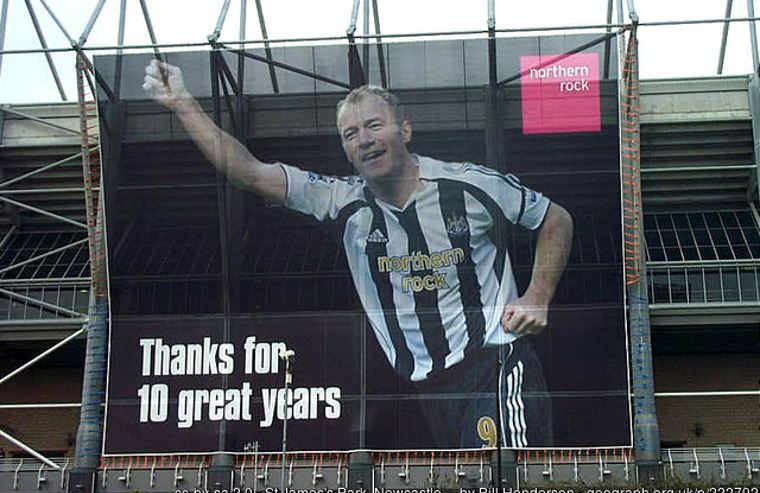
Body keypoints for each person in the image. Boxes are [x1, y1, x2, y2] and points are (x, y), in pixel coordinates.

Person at [143, 59, 573, 448]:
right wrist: (182, 103)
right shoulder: (341, 202)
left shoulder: (470, 186)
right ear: (345, 149)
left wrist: (537, 295)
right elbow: (251, 174)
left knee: (504, 480)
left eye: (374, 126)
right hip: (430, 388)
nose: (364, 140)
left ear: (404, 130)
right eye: (351, 134)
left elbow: (555, 219)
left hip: (495, 364)